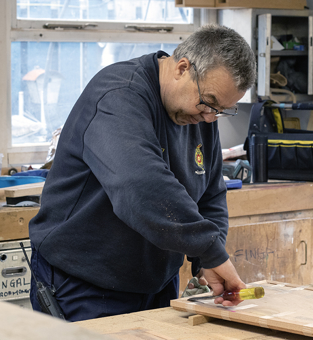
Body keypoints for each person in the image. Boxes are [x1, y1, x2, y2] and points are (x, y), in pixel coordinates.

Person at [28, 24, 256, 322]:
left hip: (155, 282)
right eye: (209, 103)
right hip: (85, 283)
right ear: (182, 68)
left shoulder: (200, 115)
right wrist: (208, 247)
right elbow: (141, 187)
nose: (210, 117)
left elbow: (210, 194)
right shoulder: (118, 95)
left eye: (222, 110)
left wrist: (205, 259)